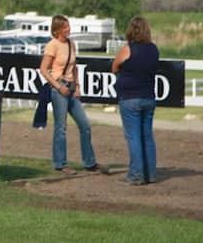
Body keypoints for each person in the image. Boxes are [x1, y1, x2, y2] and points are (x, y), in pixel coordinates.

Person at [39, 15, 104, 175]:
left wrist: (78, 86)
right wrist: (58, 87)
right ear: (57, 30)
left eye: (68, 26)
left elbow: (74, 67)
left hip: (71, 88)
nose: (68, 29)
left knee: (85, 125)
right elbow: (44, 70)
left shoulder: (71, 44)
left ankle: (89, 162)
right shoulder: (52, 45)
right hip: (59, 88)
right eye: (65, 27)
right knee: (61, 127)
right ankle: (60, 163)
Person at [112, 16, 159, 185]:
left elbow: (114, 67)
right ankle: (150, 174)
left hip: (130, 98)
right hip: (149, 97)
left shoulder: (128, 49)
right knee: (147, 137)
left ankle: (136, 175)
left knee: (133, 137)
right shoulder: (154, 49)